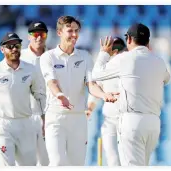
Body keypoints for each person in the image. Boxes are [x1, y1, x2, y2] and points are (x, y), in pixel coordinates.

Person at [39, 15, 118, 166]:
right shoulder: (48, 57)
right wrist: (60, 95)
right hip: (55, 118)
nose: (74, 35)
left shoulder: (85, 56)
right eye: (70, 31)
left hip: (78, 119)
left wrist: (104, 95)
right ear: (59, 32)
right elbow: (51, 82)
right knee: (57, 163)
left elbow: (91, 84)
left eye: (76, 31)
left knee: (77, 165)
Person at [92, 23, 171, 166]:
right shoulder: (159, 61)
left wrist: (104, 53)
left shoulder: (124, 59)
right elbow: (167, 78)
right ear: (148, 41)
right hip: (153, 123)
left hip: (132, 122)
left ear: (128, 40)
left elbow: (97, 74)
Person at [0, 32, 46, 166]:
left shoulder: (30, 70)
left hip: (26, 123)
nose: (14, 49)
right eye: (10, 46)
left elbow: (39, 96)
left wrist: (44, 118)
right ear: (2, 49)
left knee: (29, 166)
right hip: (3, 125)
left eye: (17, 46)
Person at [87, 37, 126, 166]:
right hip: (111, 119)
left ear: (113, 51)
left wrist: (90, 108)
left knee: (120, 159)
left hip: (125, 119)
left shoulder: (127, 65)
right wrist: (90, 108)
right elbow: (97, 90)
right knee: (114, 159)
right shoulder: (106, 68)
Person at [20, 21, 49, 166]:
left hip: (48, 116)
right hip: (26, 116)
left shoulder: (52, 57)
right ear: (28, 37)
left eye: (42, 34)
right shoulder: (19, 57)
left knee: (47, 163)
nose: (39, 38)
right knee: (25, 164)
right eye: (35, 34)